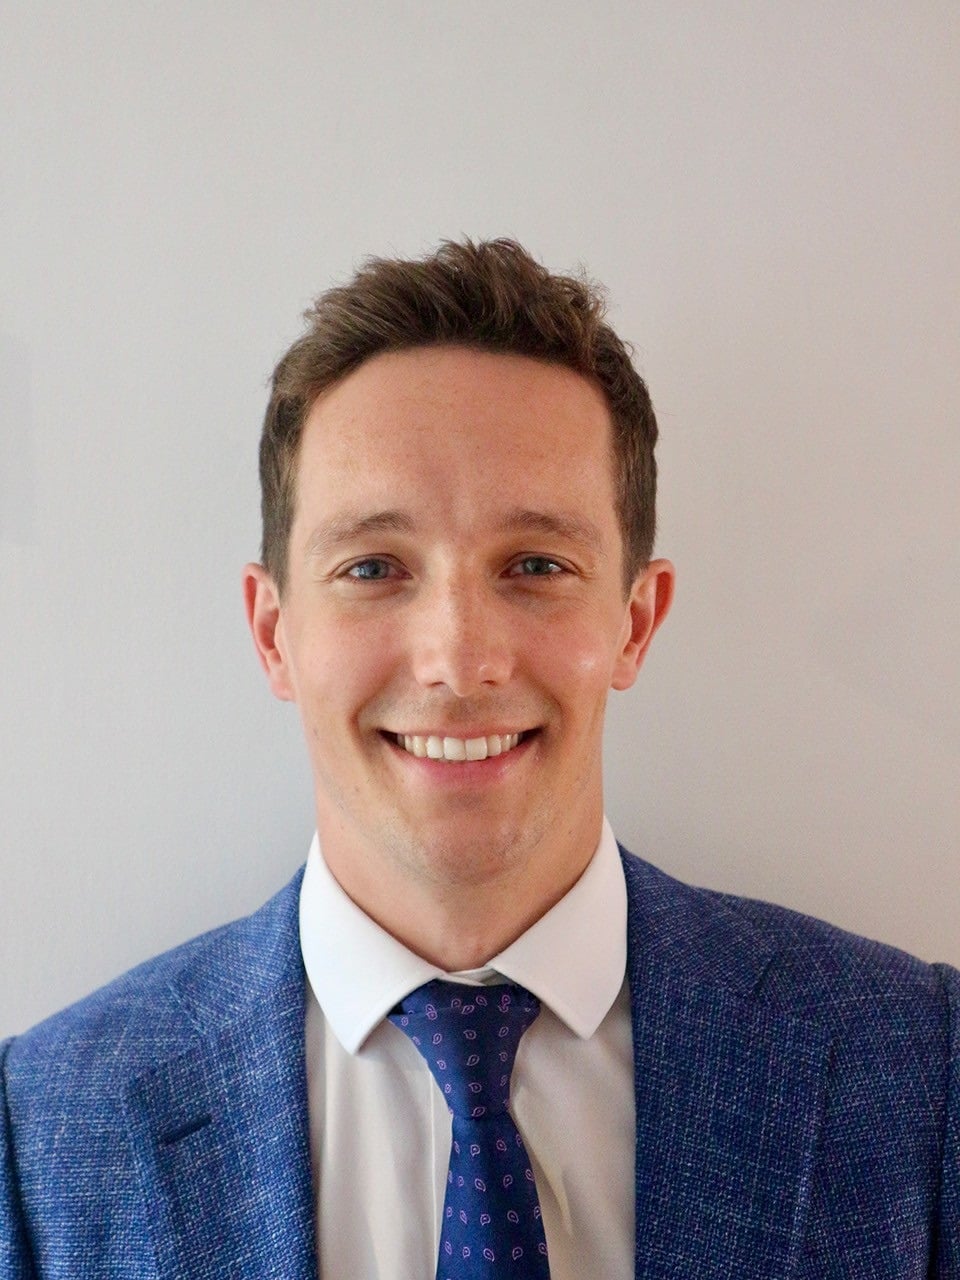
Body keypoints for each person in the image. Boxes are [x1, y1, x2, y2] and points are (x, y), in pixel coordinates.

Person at [1, 239, 957, 1279]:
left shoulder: (918, 1069)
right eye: (373, 567)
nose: (459, 660)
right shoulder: (41, 1130)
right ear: (273, 634)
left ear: (636, 622)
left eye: (536, 564)